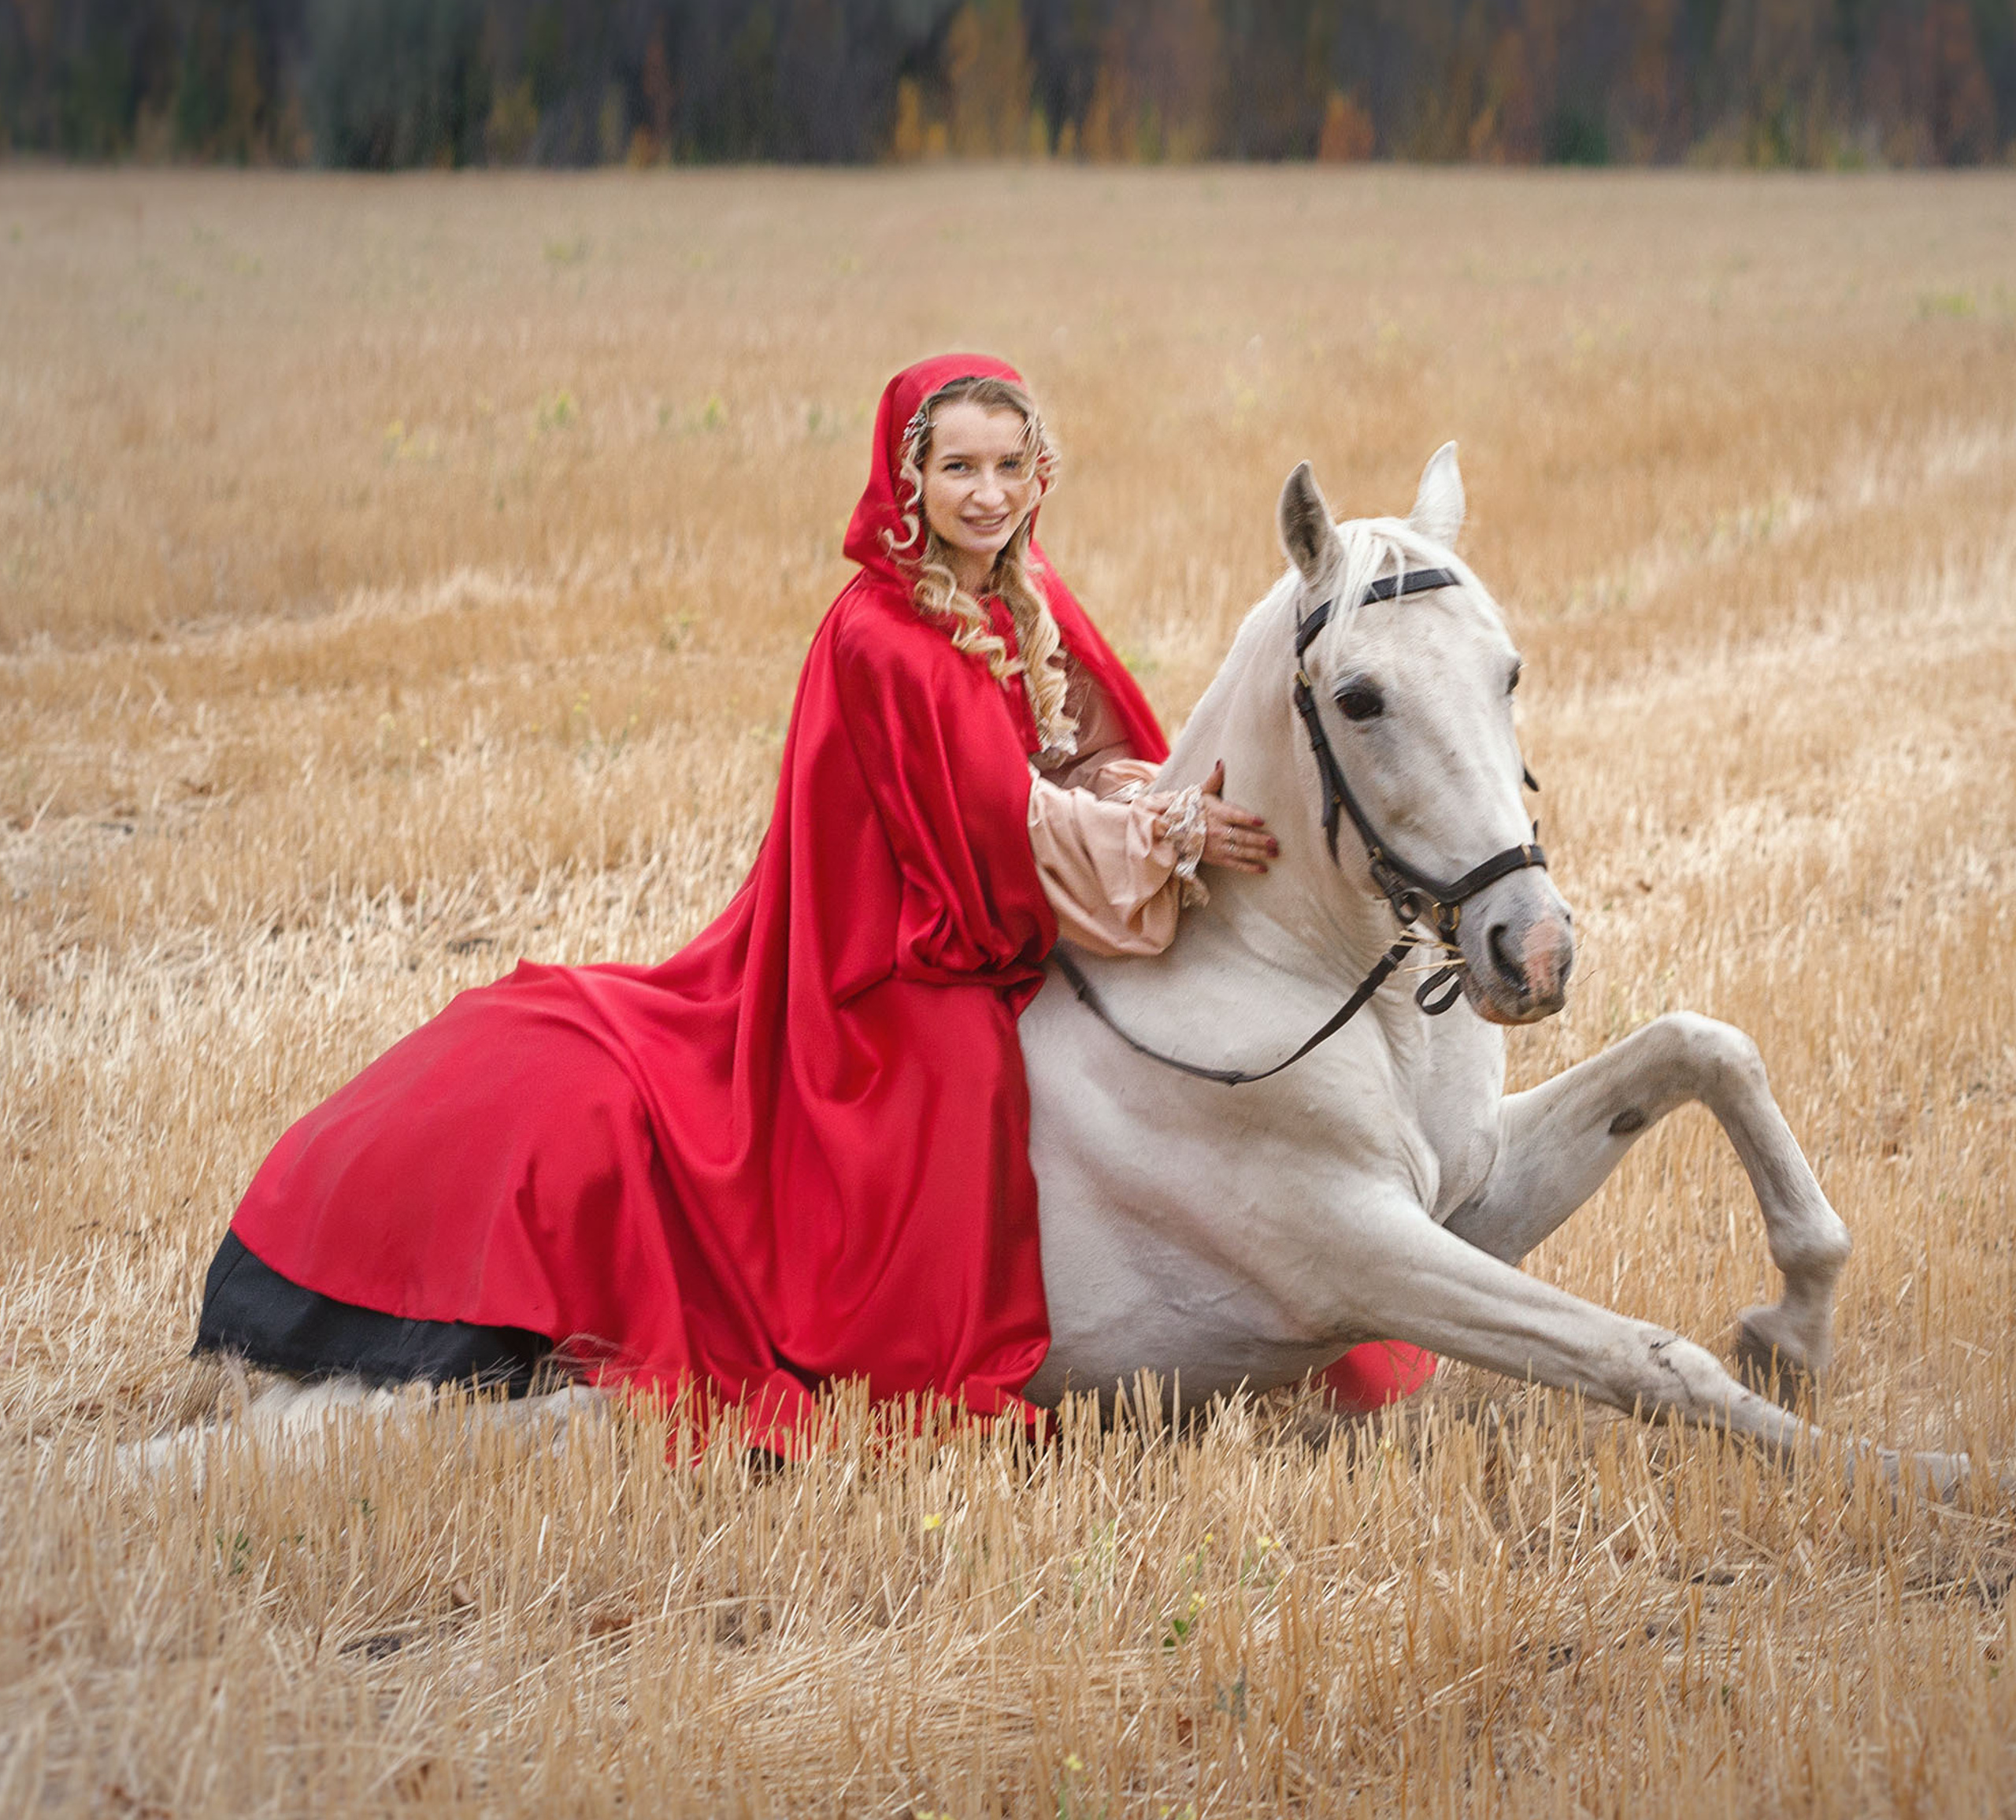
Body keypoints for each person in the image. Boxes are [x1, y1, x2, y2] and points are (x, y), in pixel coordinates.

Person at [195, 353, 1427, 1445]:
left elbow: (1074, 754)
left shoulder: (1023, 595)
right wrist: (1160, 833)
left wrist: (1152, 796)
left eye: (1009, 466)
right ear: (908, 478)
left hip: (1012, 899)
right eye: (958, 468)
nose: (987, 494)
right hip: (898, 951)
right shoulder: (881, 635)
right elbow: (993, 835)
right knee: (954, 1083)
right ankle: (907, 1352)